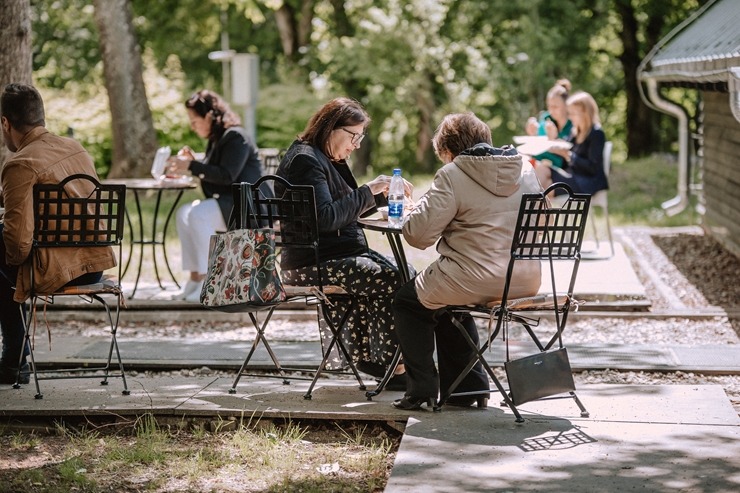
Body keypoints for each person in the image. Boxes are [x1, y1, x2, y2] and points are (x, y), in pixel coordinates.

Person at [391, 112, 543, 410]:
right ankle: (469, 388)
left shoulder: (453, 174)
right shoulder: (524, 169)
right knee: (446, 304)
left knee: (407, 303)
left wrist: (412, 210)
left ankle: (421, 389)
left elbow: (418, 236)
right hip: (523, 278)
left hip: (469, 278)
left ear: (449, 152)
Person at [275, 97, 412, 387]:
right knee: (391, 277)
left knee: (407, 274)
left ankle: (384, 361)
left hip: (334, 255)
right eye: (354, 136)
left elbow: (346, 207)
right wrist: (368, 190)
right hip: (311, 263)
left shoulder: (327, 159)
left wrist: (383, 193)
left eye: (360, 137)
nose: (357, 144)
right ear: (331, 128)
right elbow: (326, 218)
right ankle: (392, 368)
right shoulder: (305, 161)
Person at [0, 83, 116, 384]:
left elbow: (17, 245)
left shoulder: (19, 164)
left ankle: (13, 359)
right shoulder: (75, 148)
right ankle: (14, 361)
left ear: (5, 123)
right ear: (41, 117)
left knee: (2, 261)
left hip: (58, 269)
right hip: (94, 266)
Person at [167, 90, 263, 302]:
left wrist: (193, 166)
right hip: (230, 203)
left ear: (209, 116)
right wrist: (196, 164)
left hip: (248, 206)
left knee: (198, 214)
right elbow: (214, 175)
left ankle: (210, 282)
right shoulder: (217, 139)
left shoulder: (235, 136)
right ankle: (195, 277)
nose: (193, 126)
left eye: (194, 121)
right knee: (184, 213)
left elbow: (227, 176)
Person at [534, 91, 608, 195]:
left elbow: (592, 168)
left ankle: (529, 207)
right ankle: (534, 207)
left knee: (545, 189)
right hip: (572, 176)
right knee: (542, 171)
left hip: (587, 182)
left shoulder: (596, 133)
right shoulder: (575, 132)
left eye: (573, 114)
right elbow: (565, 156)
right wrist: (554, 143)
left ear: (584, 113)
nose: (570, 117)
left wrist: (568, 155)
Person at [525, 79, 573, 168]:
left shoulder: (573, 124)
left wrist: (554, 139)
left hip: (563, 168)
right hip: (541, 164)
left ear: (566, 105)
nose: (551, 111)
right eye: (549, 106)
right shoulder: (546, 119)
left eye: (555, 107)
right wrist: (533, 134)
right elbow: (538, 147)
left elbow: (572, 154)